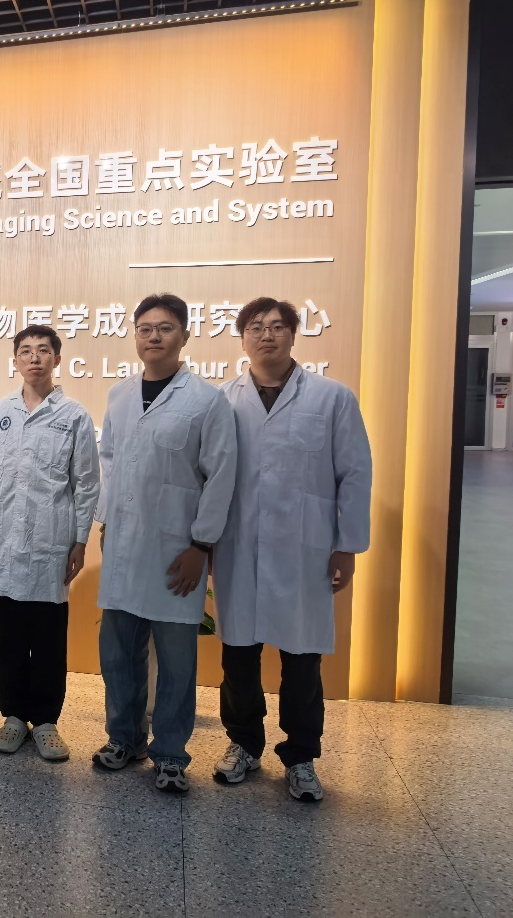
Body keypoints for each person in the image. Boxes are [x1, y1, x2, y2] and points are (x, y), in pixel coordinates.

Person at [211, 297, 372, 802]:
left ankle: (301, 756)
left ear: (293, 335)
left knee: (302, 661)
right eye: (256, 327)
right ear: (242, 338)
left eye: (277, 326)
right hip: (238, 545)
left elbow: (355, 474)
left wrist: (347, 547)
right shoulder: (223, 400)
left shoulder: (331, 398)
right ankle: (243, 744)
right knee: (238, 655)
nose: (267, 335)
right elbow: (209, 477)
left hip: (305, 549)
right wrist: (204, 541)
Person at [93, 293, 238, 792]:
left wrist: (202, 545)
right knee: (118, 655)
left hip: (178, 552)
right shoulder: (120, 395)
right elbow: (110, 461)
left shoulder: (206, 401)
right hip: (123, 545)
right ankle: (124, 739)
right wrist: (106, 520)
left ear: (184, 336)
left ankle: (171, 752)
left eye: (166, 328)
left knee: (176, 662)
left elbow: (220, 475)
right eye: (145, 329)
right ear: (135, 336)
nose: (154, 336)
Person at [0, 324, 99, 761]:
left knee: (48, 635)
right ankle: (13, 717)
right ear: (15, 360)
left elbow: (86, 483)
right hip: (4, 538)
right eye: (26, 351)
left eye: (43, 350)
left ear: (56, 359)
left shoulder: (74, 416)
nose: (34, 358)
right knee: (9, 633)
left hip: (51, 540)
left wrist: (80, 541)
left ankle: (46, 721)